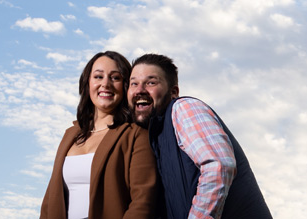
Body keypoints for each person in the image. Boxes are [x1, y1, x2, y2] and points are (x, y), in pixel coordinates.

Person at [128, 53, 273, 219]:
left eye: (151, 82)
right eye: (134, 83)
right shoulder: (159, 137)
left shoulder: (183, 107)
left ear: (173, 91)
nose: (139, 90)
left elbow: (219, 165)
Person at [41, 51, 158, 219]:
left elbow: (143, 201)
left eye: (115, 78)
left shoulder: (136, 136)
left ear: (125, 85)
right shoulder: (70, 135)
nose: (106, 84)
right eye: (98, 77)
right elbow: (50, 199)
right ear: (87, 83)